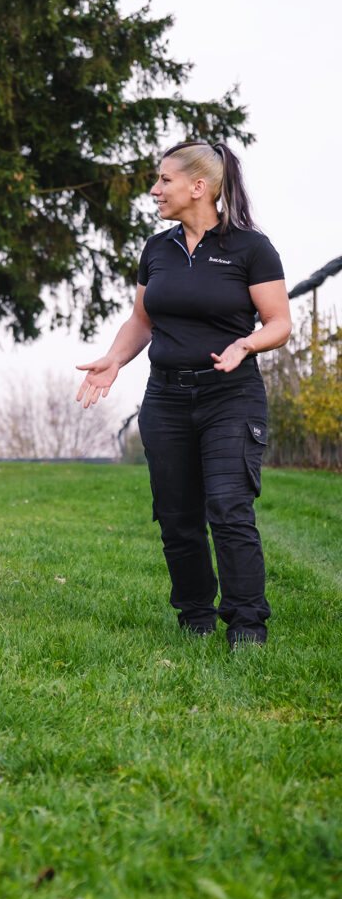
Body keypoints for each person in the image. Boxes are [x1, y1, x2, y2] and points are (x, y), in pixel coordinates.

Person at [77, 142, 292, 648]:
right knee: (177, 516)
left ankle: (246, 626)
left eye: (164, 180)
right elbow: (141, 320)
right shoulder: (158, 249)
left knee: (229, 509)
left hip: (230, 396)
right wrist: (115, 358)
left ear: (199, 187)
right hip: (166, 400)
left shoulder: (250, 248)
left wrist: (246, 343)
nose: (155, 189)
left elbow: (279, 322)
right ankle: (195, 618)